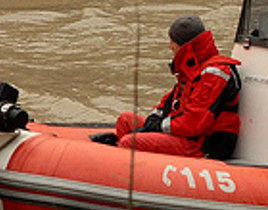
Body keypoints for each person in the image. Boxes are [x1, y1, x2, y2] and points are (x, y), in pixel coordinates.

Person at [92, 16, 242, 159]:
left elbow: (194, 122)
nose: (169, 45)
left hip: (200, 143)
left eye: (172, 41)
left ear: (184, 45)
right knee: (125, 121)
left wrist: (159, 126)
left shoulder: (214, 74)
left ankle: (123, 164)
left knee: (128, 142)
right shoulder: (193, 68)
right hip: (183, 133)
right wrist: (154, 118)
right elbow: (169, 103)